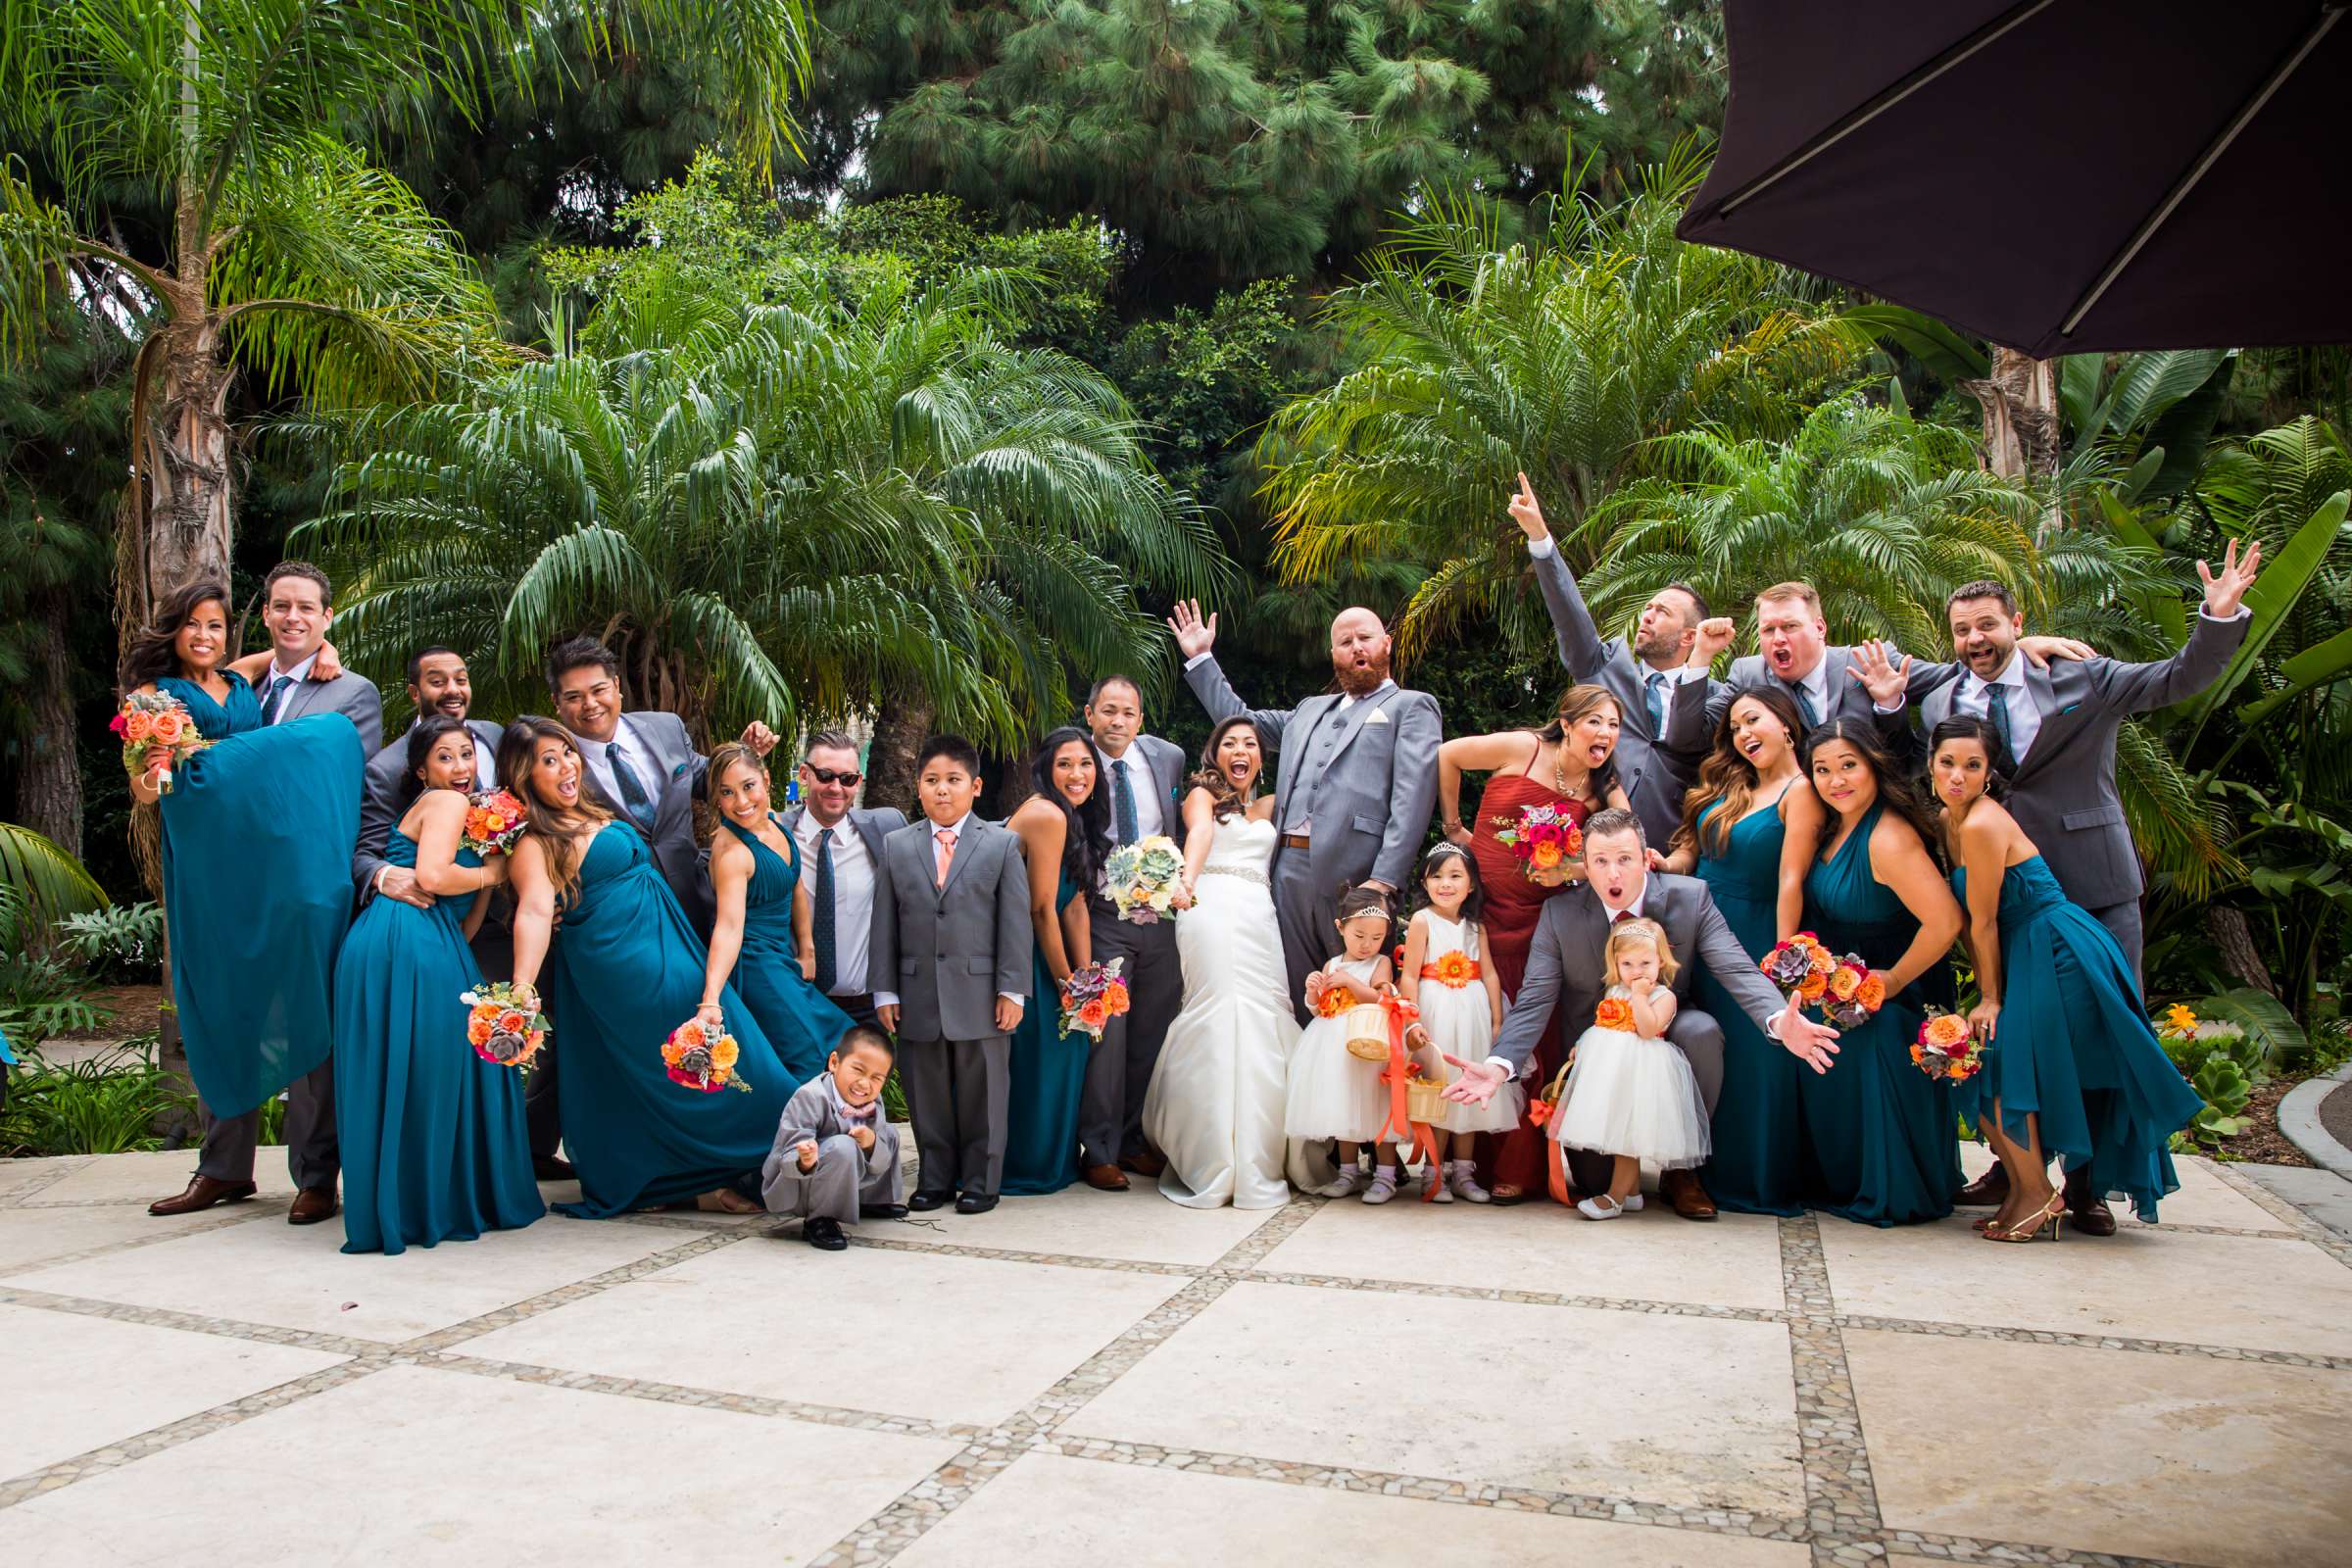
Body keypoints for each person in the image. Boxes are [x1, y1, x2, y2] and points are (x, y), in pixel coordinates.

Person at [1445, 808, 1840, 1221]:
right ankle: (1615, 1175)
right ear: (1585, 862)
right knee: (1596, 1180)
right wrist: (1499, 1064)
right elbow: (1534, 999)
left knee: (1703, 1031)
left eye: (1624, 859)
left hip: (1664, 1026)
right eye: (1600, 861)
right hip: (1596, 1045)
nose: (1613, 874)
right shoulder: (1559, 913)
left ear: (1645, 857)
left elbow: (1735, 966)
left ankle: (1681, 1168)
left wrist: (1778, 1019)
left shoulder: (1691, 898)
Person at [1906, 546, 2259, 979]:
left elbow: (2176, 678)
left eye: (1987, 624)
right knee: (2041, 1026)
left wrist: (2218, 619)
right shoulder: (1940, 705)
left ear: (2016, 624)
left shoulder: (2082, 676)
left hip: (2095, 880)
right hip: (2010, 895)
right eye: (1962, 630)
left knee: (2115, 1014)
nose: (1974, 638)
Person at [135, 581, 365, 1227]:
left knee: (303, 1011)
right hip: (213, 875)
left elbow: (275, 670)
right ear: (173, 632)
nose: (205, 636)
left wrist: (328, 647)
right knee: (220, 1004)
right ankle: (223, 1168)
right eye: (192, 626)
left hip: (281, 879)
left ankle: (316, 1175)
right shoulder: (158, 697)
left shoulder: (252, 686)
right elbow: (149, 789)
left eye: (214, 625)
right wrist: (159, 768)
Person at [501, 716, 793, 1218]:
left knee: (670, 1073)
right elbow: (533, 911)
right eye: (548, 761)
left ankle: (688, 1183)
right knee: (714, 1062)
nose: (568, 765)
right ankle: (746, 1157)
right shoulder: (536, 842)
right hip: (626, 968)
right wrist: (522, 987)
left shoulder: (587, 812)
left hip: (666, 947)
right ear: (524, 776)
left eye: (567, 752)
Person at [1930, 717, 2204, 1239]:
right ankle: (2025, 1190)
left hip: (2061, 951)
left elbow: (1983, 919)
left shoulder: (1983, 823)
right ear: (1931, 764)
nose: (1958, 775)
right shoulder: (1949, 818)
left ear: (1989, 773)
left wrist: (1989, 997)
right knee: (1989, 1064)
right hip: (2028, 949)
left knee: (1998, 1060)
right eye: (1948, 763)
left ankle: (2039, 1195)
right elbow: (1973, 921)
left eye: (1972, 765)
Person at [1170, 598, 1442, 1021]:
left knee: (1359, 995)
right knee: (1298, 992)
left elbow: (1413, 798)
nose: (1356, 647)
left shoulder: (1412, 706)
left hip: (1359, 875)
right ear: (1333, 654)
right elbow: (1238, 723)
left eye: (1365, 638)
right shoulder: (1308, 711)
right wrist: (1202, 658)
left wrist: (1384, 881)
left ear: (1386, 644)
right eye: (1345, 641)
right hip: (1285, 871)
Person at [332, 714, 544, 1253]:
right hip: (403, 940)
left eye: (466, 754)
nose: (459, 767)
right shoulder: (445, 804)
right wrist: (492, 875)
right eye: (445, 757)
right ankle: (424, 1204)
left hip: (434, 939)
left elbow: (467, 922)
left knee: (432, 1067)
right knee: (427, 1068)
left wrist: (490, 860)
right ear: (421, 769)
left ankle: (419, 1200)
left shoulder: (474, 816)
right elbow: (430, 878)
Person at [1438, 684, 1632, 1201]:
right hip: (1484, 911)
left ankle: (1520, 1167)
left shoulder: (1599, 787)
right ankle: (1467, 1159)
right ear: (1566, 723)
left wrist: (1568, 867)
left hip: (1539, 919)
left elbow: (1623, 838)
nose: (1606, 734)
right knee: (1477, 1020)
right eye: (1596, 722)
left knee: (1533, 1035)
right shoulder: (1520, 748)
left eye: (1614, 725)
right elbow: (1448, 755)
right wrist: (1454, 825)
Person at [1776, 721, 1966, 1227]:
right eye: (1822, 770)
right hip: (1845, 985)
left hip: (1896, 991)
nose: (1836, 780)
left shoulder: (1888, 837)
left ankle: (1889, 1184)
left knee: (1872, 1043)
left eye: (1848, 766)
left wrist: (1894, 981)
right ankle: (1841, 1178)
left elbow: (1946, 920)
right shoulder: (1836, 825)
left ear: (1873, 765)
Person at [1656, 687, 1810, 1216]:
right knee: (1694, 1048)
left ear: (1787, 724)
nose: (1744, 735)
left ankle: (1740, 1175)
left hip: (1754, 932)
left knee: (1747, 1058)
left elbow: (1791, 880)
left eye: (1754, 721)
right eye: (1736, 729)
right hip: (1694, 926)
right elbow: (1692, 852)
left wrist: (1785, 960)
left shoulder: (1800, 791)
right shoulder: (1731, 784)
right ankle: (1682, 1167)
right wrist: (1666, 864)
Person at [1142, 716, 1300, 1210]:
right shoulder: (1200, 794)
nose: (1240, 749)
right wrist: (1185, 881)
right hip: (1208, 907)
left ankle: (1268, 1148)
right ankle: (1214, 1154)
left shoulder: (1273, 804)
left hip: (1260, 914)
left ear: (1261, 756)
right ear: (1215, 752)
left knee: (1267, 1012)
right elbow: (1201, 836)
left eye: (1250, 743)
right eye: (1229, 742)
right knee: (1220, 1011)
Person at [871, 735, 1031, 1216]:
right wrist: (884, 989)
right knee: (926, 1091)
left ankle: (982, 1181)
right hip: (916, 991)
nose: (943, 790)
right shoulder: (897, 845)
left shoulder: (1002, 844)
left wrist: (1013, 990)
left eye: (953, 780)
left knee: (985, 1090)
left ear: (975, 786)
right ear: (918, 788)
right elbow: (885, 922)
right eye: (932, 781)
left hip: (982, 992)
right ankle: (935, 1179)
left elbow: (1015, 923)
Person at [1507, 474, 1710, 846]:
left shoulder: (1714, 696)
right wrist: (1539, 538)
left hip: (1673, 854)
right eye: (1647, 607)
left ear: (1689, 637)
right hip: (1587, 844)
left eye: (1662, 612)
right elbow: (1571, 618)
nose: (1646, 615)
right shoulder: (1605, 666)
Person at [544, 636, 778, 936]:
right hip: (618, 923)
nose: (590, 704)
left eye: (598, 690)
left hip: (694, 899)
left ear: (616, 686)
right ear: (557, 703)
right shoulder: (553, 766)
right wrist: (541, 901)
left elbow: (706, 781)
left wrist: (738, 760)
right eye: (574, 697)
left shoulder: (666, 727)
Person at [1079, 675, 1189, 1182]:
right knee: (1108, 1030)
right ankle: (1098, 1150)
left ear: (1140, 719)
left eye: (1127, 712)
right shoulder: (1076, 764)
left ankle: (1131, 1140)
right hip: (1104, 917)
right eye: (1108, 711)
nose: (1117, 721)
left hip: (1161, 919)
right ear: (1090, 714)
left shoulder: (1167, 757)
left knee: (1151, 1031)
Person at [701, 743, 857, 1087]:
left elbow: (794, 886)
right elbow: (728, 927)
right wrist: (710, 999)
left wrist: (807, 951)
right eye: (727, 792)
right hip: (755, 966)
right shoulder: (732, 854)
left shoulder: (773, 824)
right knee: (811, 1054)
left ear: (766, 780)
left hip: (781, 960)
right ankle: (798, 1136)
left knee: (840, 1040)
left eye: (748, 786)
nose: (741, 802)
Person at [1548, 917, 1711, 1220]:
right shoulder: (1614, 991)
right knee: (1616, 1131)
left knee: (1627, 1138)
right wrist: (1583, 1045)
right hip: (1611, 1070)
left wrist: (1639, 997)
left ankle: (1614, 1198)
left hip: (1642, 1071)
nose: (1637, 972)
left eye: (1645, 963)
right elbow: (1602, 1024)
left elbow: (1648, 1030)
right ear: (1615, 964)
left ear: (1661, 961)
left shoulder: (1664, 997)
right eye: (1627, 964)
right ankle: (1633, 1192)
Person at [1003, 727, 1103, 1196]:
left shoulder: (1074, 817)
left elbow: (1074, 906)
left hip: (1051, 952)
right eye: (1065, 763)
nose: (1077, 773)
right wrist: (1067, 984)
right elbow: (1040, 908)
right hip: (1026, 955)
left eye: (1085, 763)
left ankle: (1054, 1161)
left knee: (1072, 1048)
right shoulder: (1044, 814)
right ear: (1045, 769)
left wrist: (1089, 983)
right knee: (1042, 1055)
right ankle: (1023, 1165)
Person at [1396, 844, 1512, 1203]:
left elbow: (1490, 973)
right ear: (1425, 882)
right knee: (1440, 1091)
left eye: (1455, 876)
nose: (1445, 884)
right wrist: (1412, 1019)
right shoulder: (1422, 921)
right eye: (1437, 876)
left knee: (1469, 1090)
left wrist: (1496, 1020)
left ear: (1472, 884)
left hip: (1473, 1010)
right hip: (1437, 1009)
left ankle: (1464, 1172)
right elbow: (1411, 974)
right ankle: (1434, 1173)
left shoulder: (1476, 925)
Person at [1282, 886, 1403, 1201]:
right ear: (1341, 927)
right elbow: (1320, 1007)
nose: (1367, 945)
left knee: (1376, 1106)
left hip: (1369, 1042)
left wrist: (1351, 982)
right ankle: (1348, 1171)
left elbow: (1381, 999)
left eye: (1377, 938)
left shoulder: (1381, 964)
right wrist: (1312, 992)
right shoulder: (1332, 964)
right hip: (1334, 1045)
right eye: (1359, 936)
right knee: (1343, 1107)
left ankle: (1386, 1175)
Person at [784, 730, 907, 1036]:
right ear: (804, 774)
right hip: (795, 999)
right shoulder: (776, 835)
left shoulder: (886, 829)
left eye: (848, 779)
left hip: (866, 1008)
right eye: (826, 776)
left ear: (859, 780)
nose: (836, 788)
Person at [760, 1026, 908, 1251]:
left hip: (844, 1170)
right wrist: (805, 1159)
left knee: (887, 1134)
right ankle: (820, 1219)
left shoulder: (872, 1102)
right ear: (834, 1063)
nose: (864, 1084)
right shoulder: (809, 1097)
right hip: (800, 1183)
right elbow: (787, 1154)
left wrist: (870, 1143)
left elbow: (879, 1161)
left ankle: (870, 1199)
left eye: (876, 1078)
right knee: (843, 1146)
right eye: (858, 1070)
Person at [242, 561, 385, 754]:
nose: (292, 617)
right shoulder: (245, 687)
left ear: (327, 617)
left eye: (306, 608)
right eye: (282, 606)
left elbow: (356, 777)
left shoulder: (355, 694)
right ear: (267, 614)